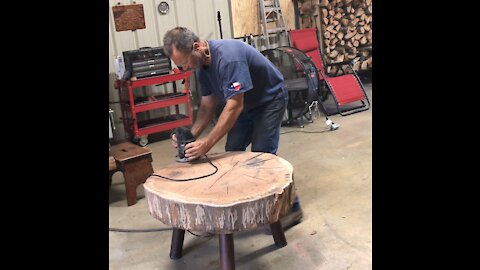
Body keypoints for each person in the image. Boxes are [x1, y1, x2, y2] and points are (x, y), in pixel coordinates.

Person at [163, 26, 302, 230]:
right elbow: (206, 107)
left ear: (197, 47)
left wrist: (207, 144)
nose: (185, 69)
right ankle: (248, 203)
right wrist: (190, 136)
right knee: (233, 150)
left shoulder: (228, 58)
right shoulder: (201, 67)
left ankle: (292, 208)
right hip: (245, 104)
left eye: (185, 62)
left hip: (269, 100)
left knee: (262, 157)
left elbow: (235, 106)